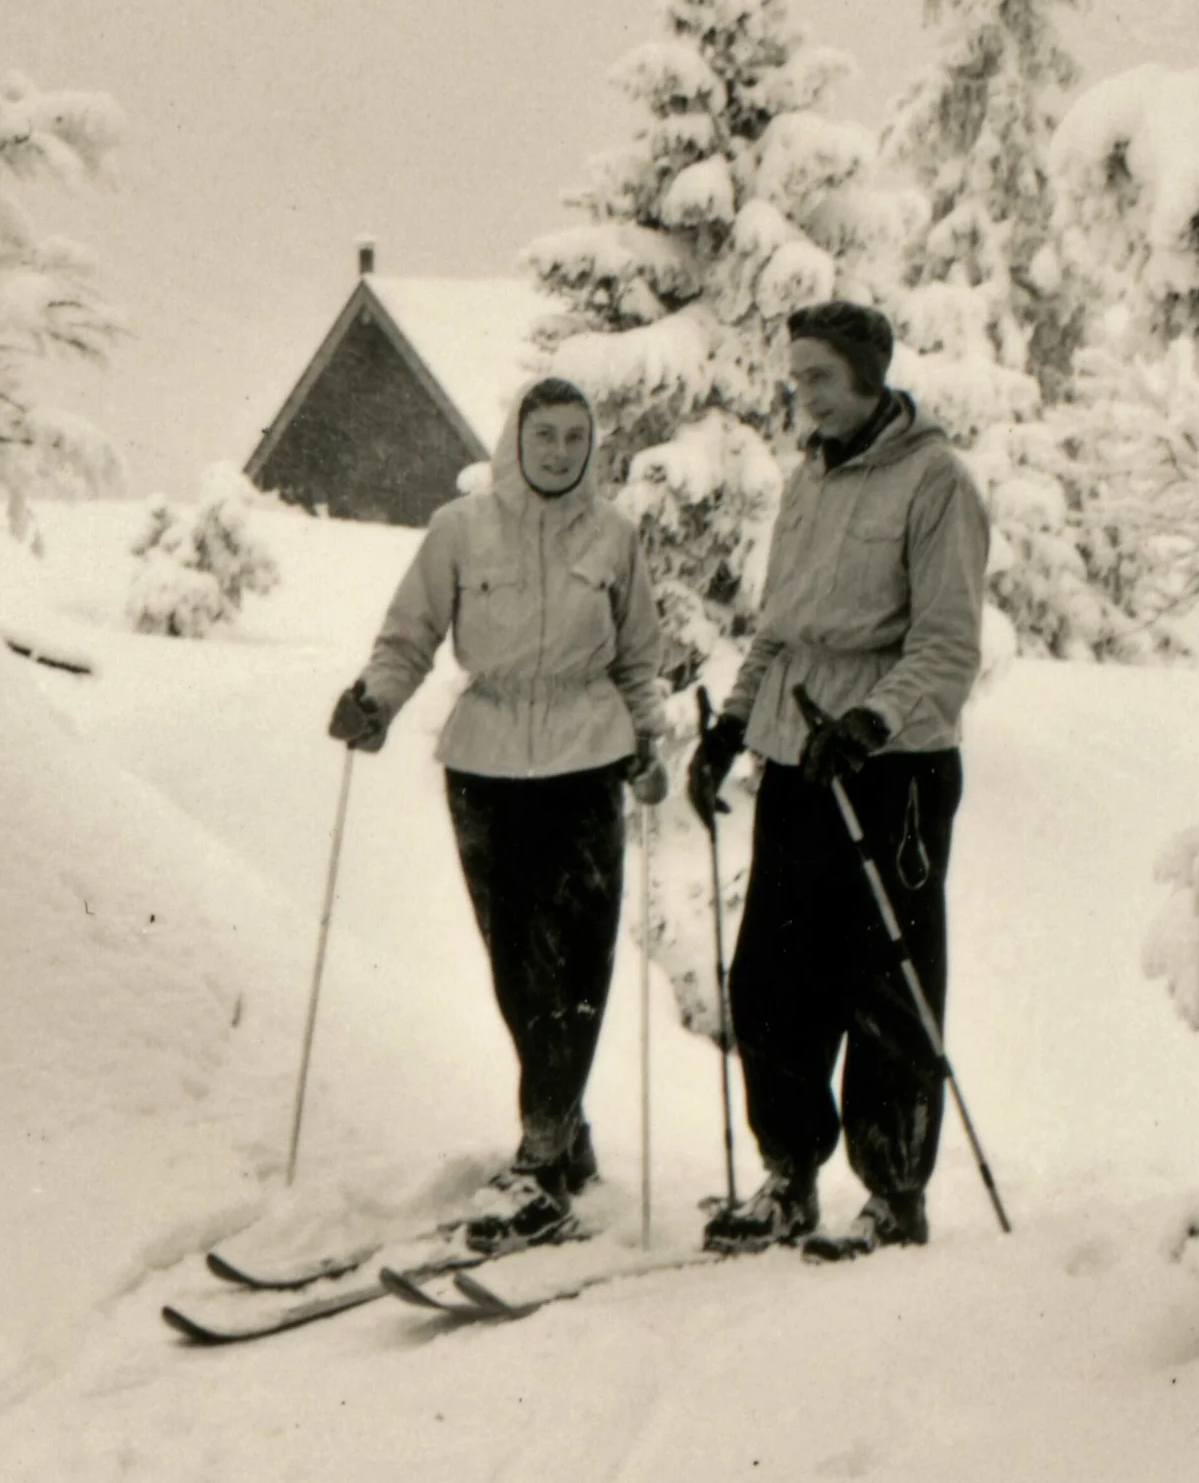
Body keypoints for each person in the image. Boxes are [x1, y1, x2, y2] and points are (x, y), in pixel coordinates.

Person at [329, 376, 668, 1251]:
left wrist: (649, 746)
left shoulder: (617, 536)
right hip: (483, 765)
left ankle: (542, 1156)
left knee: (581, 961)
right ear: (515, 439)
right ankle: (565, 1131)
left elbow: (639, 660)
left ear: (592, 447)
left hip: (588, 757)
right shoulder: (461, 530)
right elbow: (408, 635)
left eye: (573, 438)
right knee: (519, 967)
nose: (558, 452)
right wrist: (375, 701)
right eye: (543, 435)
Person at [687, 301, 989, 1260]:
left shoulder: (935, 481)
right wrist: (732, 727)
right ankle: (789, 1179)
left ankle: (894, 1194)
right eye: (795, 375)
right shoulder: (805, 482)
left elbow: (946, 647)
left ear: (868, 373)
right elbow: (777, 629)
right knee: (772, 980)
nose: (800, 392)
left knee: (884, 981)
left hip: (891, 769)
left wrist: (869, 723)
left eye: (817, 375)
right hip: (794, 757)